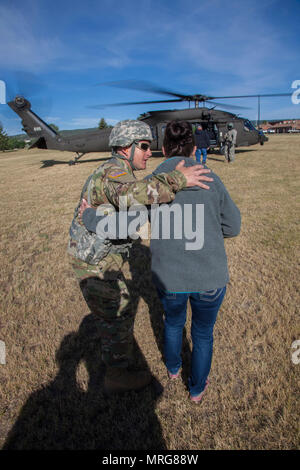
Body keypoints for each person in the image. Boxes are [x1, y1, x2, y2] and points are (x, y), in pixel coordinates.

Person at [67, 119, 213, 395]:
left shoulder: (117, 170)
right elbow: (133, 195)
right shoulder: (113, 173)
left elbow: (130, 214)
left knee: (119, 311)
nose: (149, 152)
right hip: (95, 264)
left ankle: (117, 365)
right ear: (125, 148)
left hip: (100, 259)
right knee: (117, 317)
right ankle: (117, 375)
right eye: (144, 146)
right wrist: (178, 179)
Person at [148, 121, 241, 402]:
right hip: (209, 275)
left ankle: (174, 368)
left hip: (169, 276)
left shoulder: (154, 180)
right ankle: (197, 389)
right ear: (194, 148)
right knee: (203, 333)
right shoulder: (210, 176)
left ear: (163, 148)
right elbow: (233, 226)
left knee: (173, 323)